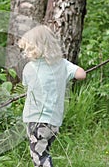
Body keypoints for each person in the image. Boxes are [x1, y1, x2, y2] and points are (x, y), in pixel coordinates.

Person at [18, 25, 86, 167]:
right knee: (44, 153)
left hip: (36, 120)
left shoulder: (30, 68)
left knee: (39, 157)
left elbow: (26, 85)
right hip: (54, 122)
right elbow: (81, 74)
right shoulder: (62, 64)